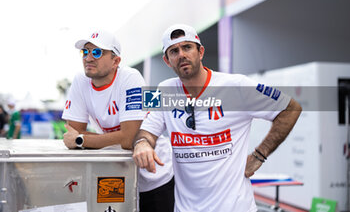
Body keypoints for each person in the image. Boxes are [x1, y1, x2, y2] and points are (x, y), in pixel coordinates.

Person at [132, 24, 302, 212]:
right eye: (174, 51)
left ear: (201, 52)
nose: (181, 55)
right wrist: (142, 143)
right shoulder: (164, 90)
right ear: (167, 60)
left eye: (187, 47)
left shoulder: (237, 85)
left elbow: (291, 108)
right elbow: (146, 131)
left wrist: (259, 155)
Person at [61, 30, 174, 212]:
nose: (88, 58)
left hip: (154, 173)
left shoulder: (130, 78)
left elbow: (129, 139)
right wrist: (85, 139)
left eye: (97, 52)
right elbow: (71, 132)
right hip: (115, 173)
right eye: (85, 52)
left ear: (116, 61)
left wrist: (83, 139)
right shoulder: (80, 80)